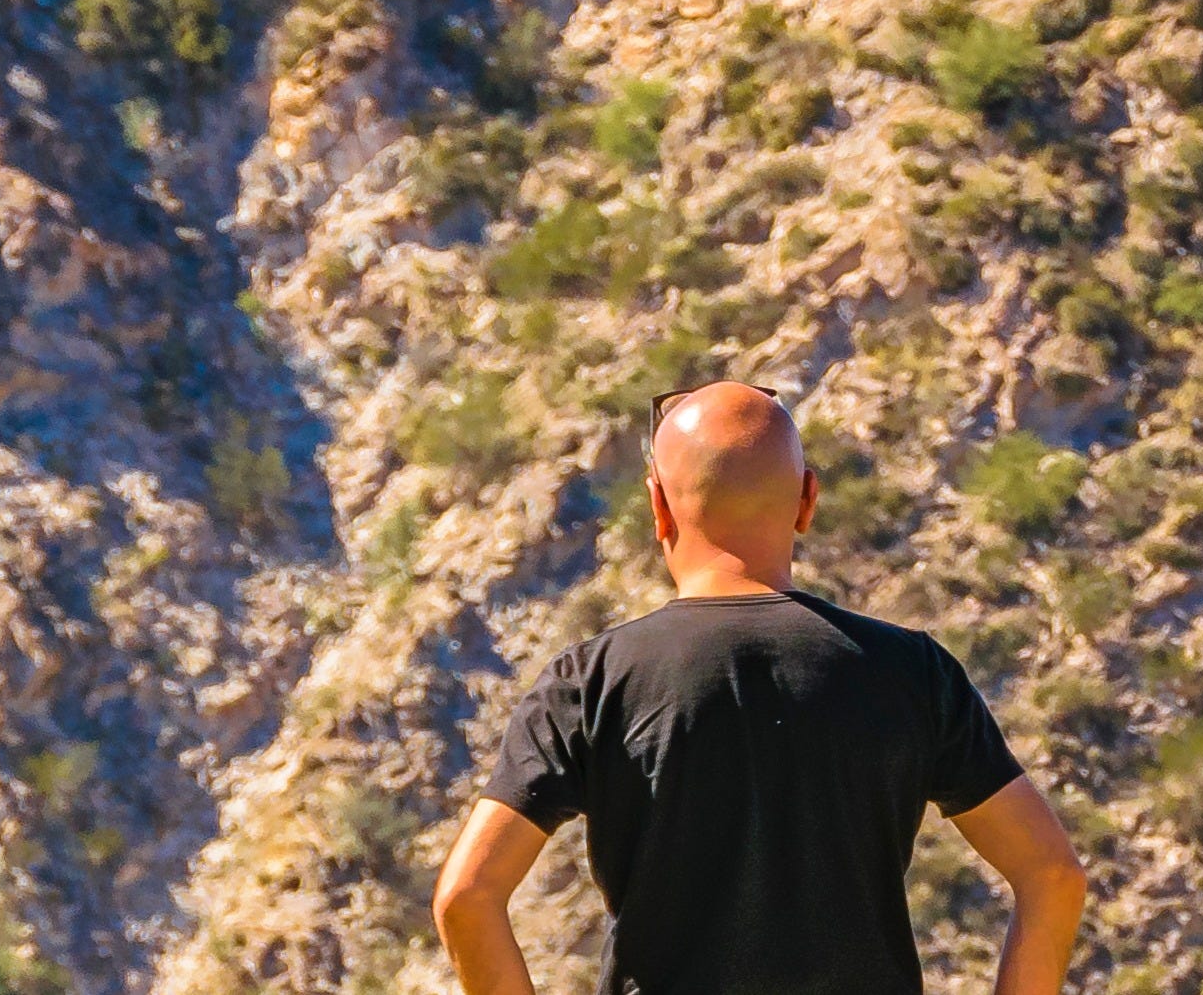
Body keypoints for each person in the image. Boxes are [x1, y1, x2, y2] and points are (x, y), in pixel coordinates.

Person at [433, 383, 1091, 995]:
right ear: (807, 500)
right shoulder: (913, 672)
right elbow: (1053, 876)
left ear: (658, 505)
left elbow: (466, 896)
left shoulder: (592, 681)